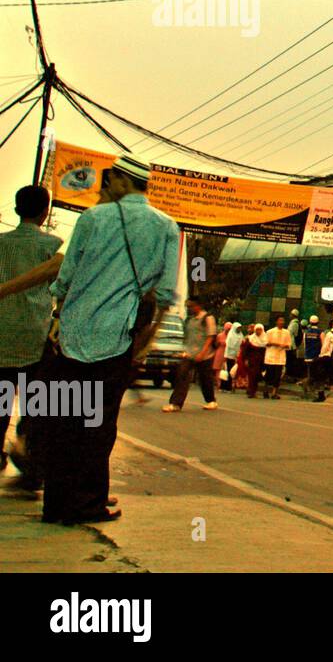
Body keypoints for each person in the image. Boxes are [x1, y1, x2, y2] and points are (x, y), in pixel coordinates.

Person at [44, 156, 180, 524]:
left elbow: (67, 274)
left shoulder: (92, 219)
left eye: (110, 179)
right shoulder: (168, 227)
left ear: (121, 181)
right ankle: (89, 502)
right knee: (98, 425)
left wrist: (58, 310)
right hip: (117, 338)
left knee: (63, 418)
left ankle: (57, 504)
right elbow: (165, 293)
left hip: (72, 334)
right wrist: (146, 341)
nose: (105, 186)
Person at [0, 185, 64, 491]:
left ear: (15, 210)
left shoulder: (0, 244)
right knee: (35, 404)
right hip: (35, 335)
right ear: (45, 212)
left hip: (2, 334)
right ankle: (30, 460)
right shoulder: (53, 246)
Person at [163, 296, 219, 412]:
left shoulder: (208, 318)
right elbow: (187, 337)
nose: (189, 309)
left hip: (205, 355)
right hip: (189, 354)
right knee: (182, 375)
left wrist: (202, 353)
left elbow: (210, 337)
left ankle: (211, 401)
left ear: (198, 306)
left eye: (190, 306)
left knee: (205, 379)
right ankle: (175, 403)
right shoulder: (189, 320)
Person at [262, 316, 292, 399]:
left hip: (280, 357)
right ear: (276, 322)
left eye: (283, 320)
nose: (282, 322)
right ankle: (266, 390)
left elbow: (289, 345)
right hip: (271, 357)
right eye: (280, 320)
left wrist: (284, 345)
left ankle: (274, 393)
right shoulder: (270, 332)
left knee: (277, 376)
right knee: (268, 375)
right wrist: (275, 344)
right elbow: (265, 343)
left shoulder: (287, 332)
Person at [301, 315, 324, 399]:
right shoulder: (320, 332)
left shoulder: (306, 332)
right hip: (316, 357)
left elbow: (304, 345)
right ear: (318, 322)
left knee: (310, 373)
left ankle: (307, 387)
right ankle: (308, 386)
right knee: (315, 375)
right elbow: (323, 344)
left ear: (310, 322)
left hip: (308, 356)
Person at [243, 323, 267, 398]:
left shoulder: (265, 339)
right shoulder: (250, 339)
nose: (258, 331)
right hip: (252, 360)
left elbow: (266, 351)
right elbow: (245, 351)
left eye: (260, 330)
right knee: (251, 376)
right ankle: (251, 392)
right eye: (257, 330)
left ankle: (254, 391)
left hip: (260, 361)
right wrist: (246, 359)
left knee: (257, 376)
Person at [223, 322, 244, 391]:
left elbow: (242, 344)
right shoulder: (231, 335)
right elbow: (228, 345)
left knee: (234, 371)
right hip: (229, 355)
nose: (239, 329)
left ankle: (233, 386)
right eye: (238, 328)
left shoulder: (241, 335)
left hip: (237, 356)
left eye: (240, 328)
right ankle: (227, 386)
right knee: (229, 371)